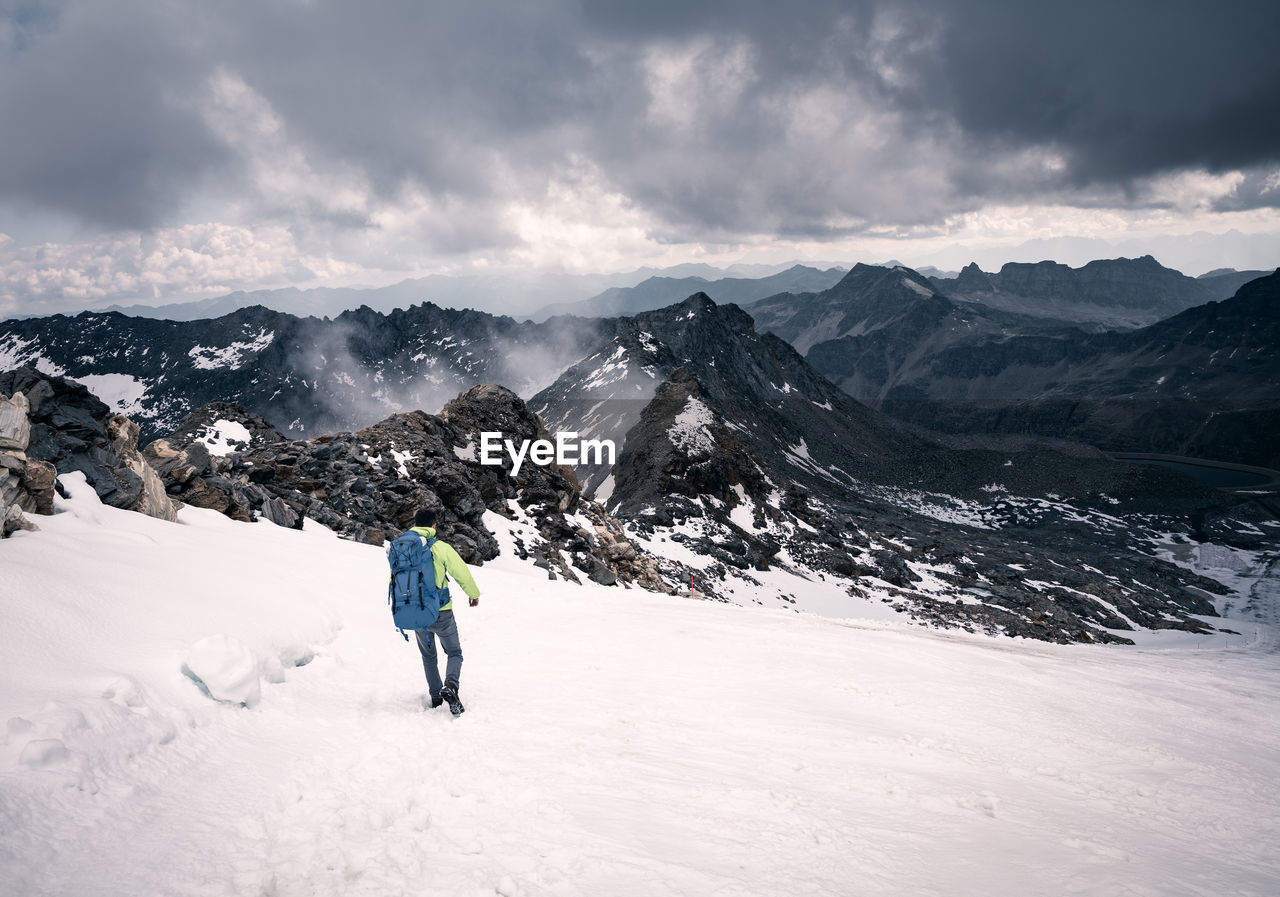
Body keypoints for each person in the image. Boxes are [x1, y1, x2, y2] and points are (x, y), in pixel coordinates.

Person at [406, 508, 480, 715]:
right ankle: (451, 686)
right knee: (454, 652)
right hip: (441, 611)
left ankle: (436, 697)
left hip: (416, 612)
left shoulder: (404, 546)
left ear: (414, 524)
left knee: (428, 657)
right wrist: (473, 594)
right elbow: (461, 572)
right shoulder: (440, 547)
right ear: (434, 526)